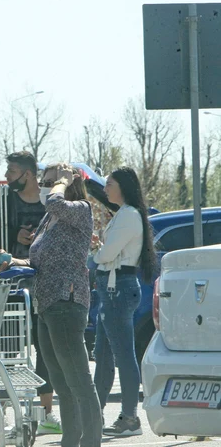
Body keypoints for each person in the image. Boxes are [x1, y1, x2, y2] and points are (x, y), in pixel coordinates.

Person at [10, 163, 102, 447]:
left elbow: (55, 201)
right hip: (46, 304)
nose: (45, 186)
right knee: (60, 381)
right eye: (45, 180)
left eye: (50, 181)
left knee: (79, 380)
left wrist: (61, 183)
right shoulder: (49, 219)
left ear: (67, 184)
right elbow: (36, 260)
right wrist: (9, 260)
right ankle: (71, 439)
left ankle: (91, 441)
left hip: (66, 300)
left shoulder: (78, 209)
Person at [0, 151, 59, 434]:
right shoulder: (1, 201)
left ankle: (47, 413)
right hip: (10, 285)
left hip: (44, 282)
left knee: (45, 348)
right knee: (7, 348)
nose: (7, 176)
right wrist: (13, 236)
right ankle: (0, 410)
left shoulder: (49, 202)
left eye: (12, 171)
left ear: (28, 173)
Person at [92, 167, 156, 437]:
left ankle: (130, 417)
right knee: (104, 356)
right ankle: (93, 415)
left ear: (123, 186)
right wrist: (101, 250)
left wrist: (97, 251)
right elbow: (108, 252)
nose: (105, 188)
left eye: (109, 183)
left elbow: (105, 256)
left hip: (118, 289)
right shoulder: (125, 214)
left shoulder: (129, 215)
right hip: (113, 289)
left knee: (124, 357)